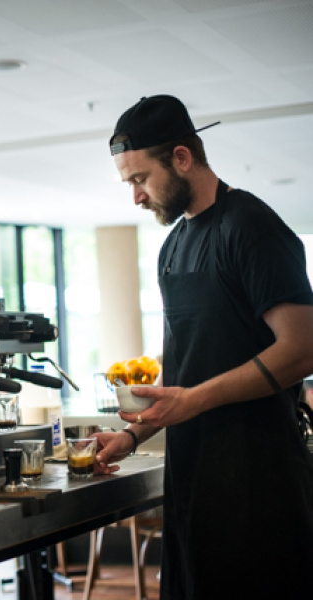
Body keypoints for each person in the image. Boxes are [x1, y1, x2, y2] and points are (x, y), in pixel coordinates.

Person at [95, 94, 313, 599]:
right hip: (193, 483)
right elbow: (184, 368)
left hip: (260, 485)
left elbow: (303, 348)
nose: (136, 197)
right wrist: (131, 436)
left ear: (182, 158)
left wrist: (193, 400)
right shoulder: (174, 246)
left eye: (140, 179)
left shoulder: (252, 228)